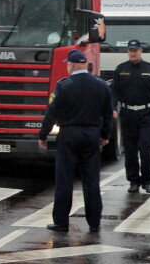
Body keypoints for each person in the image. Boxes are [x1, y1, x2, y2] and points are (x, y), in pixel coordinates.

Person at [38, 49, 113, 232]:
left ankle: (61, 222)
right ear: (86, 65)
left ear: (71, 65)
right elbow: (108, 114)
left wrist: (43, 134)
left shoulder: (64, 85)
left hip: (69, 134)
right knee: (91, 180)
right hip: (91, 134)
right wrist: (105, 135)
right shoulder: (101, 85)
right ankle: (94, 222)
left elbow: (51, 112)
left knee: (65, 178)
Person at [110, 39, 150, 194]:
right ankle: (133, 181)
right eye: (130, 50)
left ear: (141, 51)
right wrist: (113, 107)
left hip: (146, 113)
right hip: (128, 114)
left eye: (135, 50)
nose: (133, 53)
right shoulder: (121, 69)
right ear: (127, 52)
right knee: (130, 149)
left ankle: (147, 181)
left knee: (146, 146)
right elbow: (114, 90)